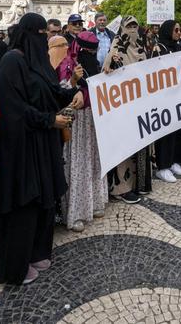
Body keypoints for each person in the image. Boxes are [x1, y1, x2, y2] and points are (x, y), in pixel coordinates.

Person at [0, 13, 81, 285]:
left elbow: (50, 91)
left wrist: (75, 91)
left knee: (45, 199)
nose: (45, 39)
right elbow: (14, 108)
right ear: (28, 34)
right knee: (25, 201)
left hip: (44, 142)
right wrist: (49, 119)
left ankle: (38, 251)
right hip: (23, 145)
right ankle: (16, 264)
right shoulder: (12, 60)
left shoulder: (38, 61)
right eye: (42, 34)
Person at [57, 31, 108, 230]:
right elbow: (60, 92)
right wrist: (73, 81)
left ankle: (94, 202)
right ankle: (75, 211)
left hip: (94, 119)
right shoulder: (67, 64)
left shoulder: (95, 64)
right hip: (76, 121)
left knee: (93, 159)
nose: (89, 54)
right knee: (77, 163)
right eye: (86, 50)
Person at [103, 15, 151, 202]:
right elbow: (106, 71)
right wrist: (111, 63)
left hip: (140, 105)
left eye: (135, 26)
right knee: (124, 147)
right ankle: (121, 188)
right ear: (122, 28)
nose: (132, 30)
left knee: (139, 146)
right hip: (122, 108)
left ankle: (139, 184)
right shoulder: (116, 48)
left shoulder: (141, 46)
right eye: (129, 26)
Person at [151, 20, 181, 181]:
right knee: (166, 133)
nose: (179, 33)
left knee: (178, 130)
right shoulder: (158, 48)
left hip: (178, 95)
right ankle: (163, 166)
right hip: (164, 97)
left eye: (180, 30)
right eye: (176, 30)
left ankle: (174, 161)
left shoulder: (177, 47)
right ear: (168, 31)